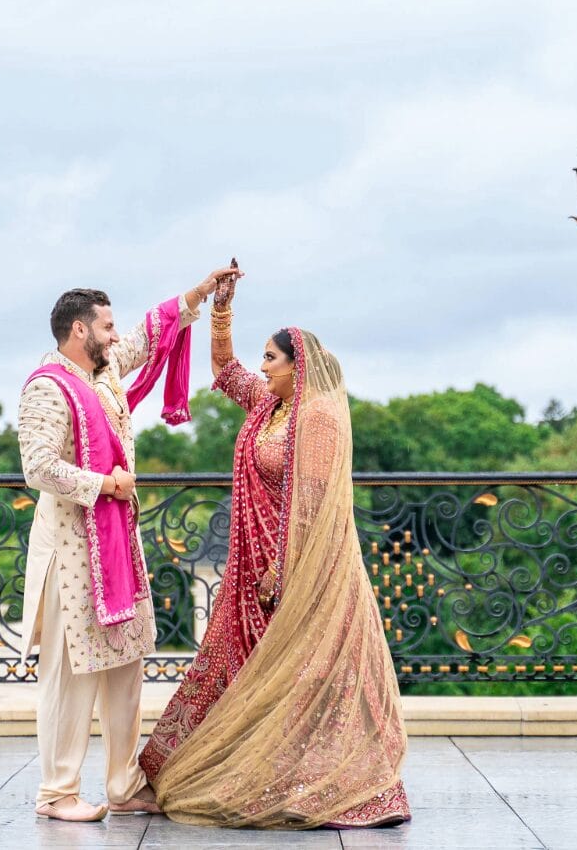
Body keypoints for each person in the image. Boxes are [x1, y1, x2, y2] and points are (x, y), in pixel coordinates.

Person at [138, 270, 411, 829]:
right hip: (249, 563)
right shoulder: (269, 407)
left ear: (297, 364)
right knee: (245, 670)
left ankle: (321, 781)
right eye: (263, 358)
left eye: (271, 358)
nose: (262, 367)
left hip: (293, 570)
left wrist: (280, 571)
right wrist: (222, 307)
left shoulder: (317, 420)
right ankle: (252, 768)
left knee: (302, 673)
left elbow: (310, 506)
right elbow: (223, 368)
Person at [18, 267, 239, 823]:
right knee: (71, 675)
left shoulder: (103, 366)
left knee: (124, 666)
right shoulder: (48, 386)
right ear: (77, 331)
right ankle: (57, 792)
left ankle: (123, 782)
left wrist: (202, 295)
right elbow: (38, 467)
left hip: (113, 544)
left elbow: (151, 333)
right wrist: (104, 485)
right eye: (106, 326)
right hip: (71, 548)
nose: (116, 336)